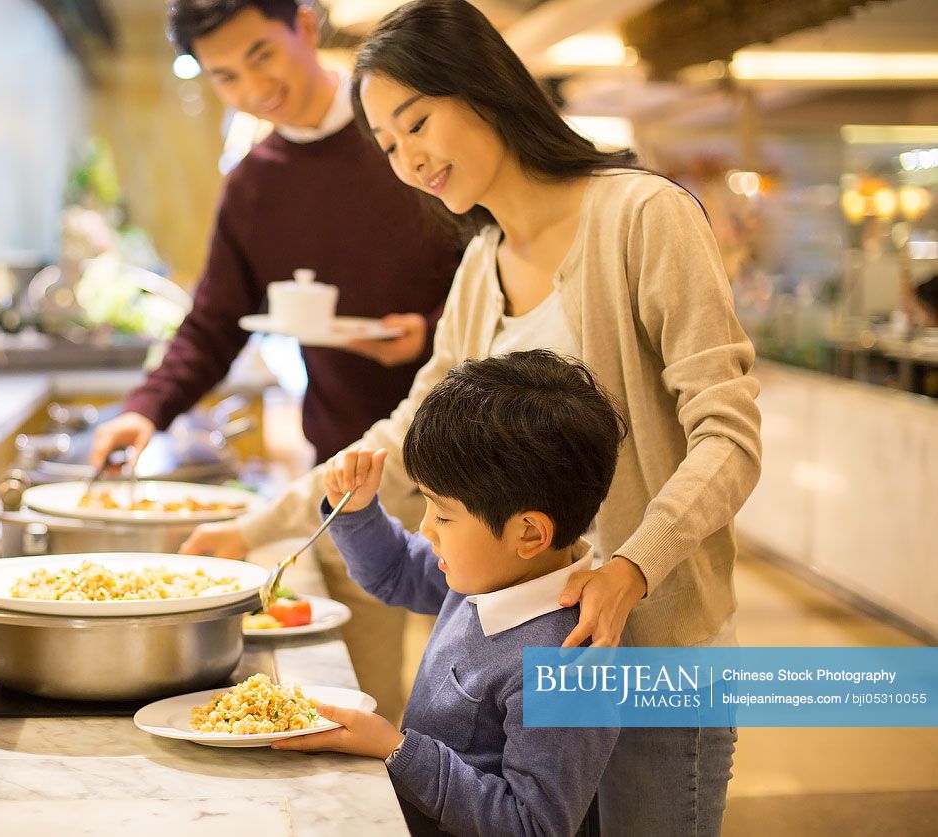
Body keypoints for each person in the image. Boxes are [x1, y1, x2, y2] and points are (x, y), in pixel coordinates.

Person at [188, 1, 763, 833]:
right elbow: (403, 431)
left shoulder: (641, 216)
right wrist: (257, 525)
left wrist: (631, 566)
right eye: (387, 144)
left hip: (655, 651)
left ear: (482, 87)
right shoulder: (479, 265)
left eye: (416, 121)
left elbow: (729, 434)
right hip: (533, 660)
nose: (408, 158)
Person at [94, 0, 462, 722]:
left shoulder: (408, 133)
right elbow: (213, 323)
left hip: (477, 455)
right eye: (224, 76)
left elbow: (497, 267)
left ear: (304, 22)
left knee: (484, 698)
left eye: (260, 54)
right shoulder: (255, 184)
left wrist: (429, 331)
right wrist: (145, 410)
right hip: (361, 473)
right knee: (371, 703)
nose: (251, 87)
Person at [273, 351, 625, 837]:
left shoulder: (563, 665)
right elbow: (395, 570)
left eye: (442, 515)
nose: (426, 529)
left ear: (529, 534)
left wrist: (398, 750)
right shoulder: (486, 574)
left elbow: (534, 825)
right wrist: (354, 511)